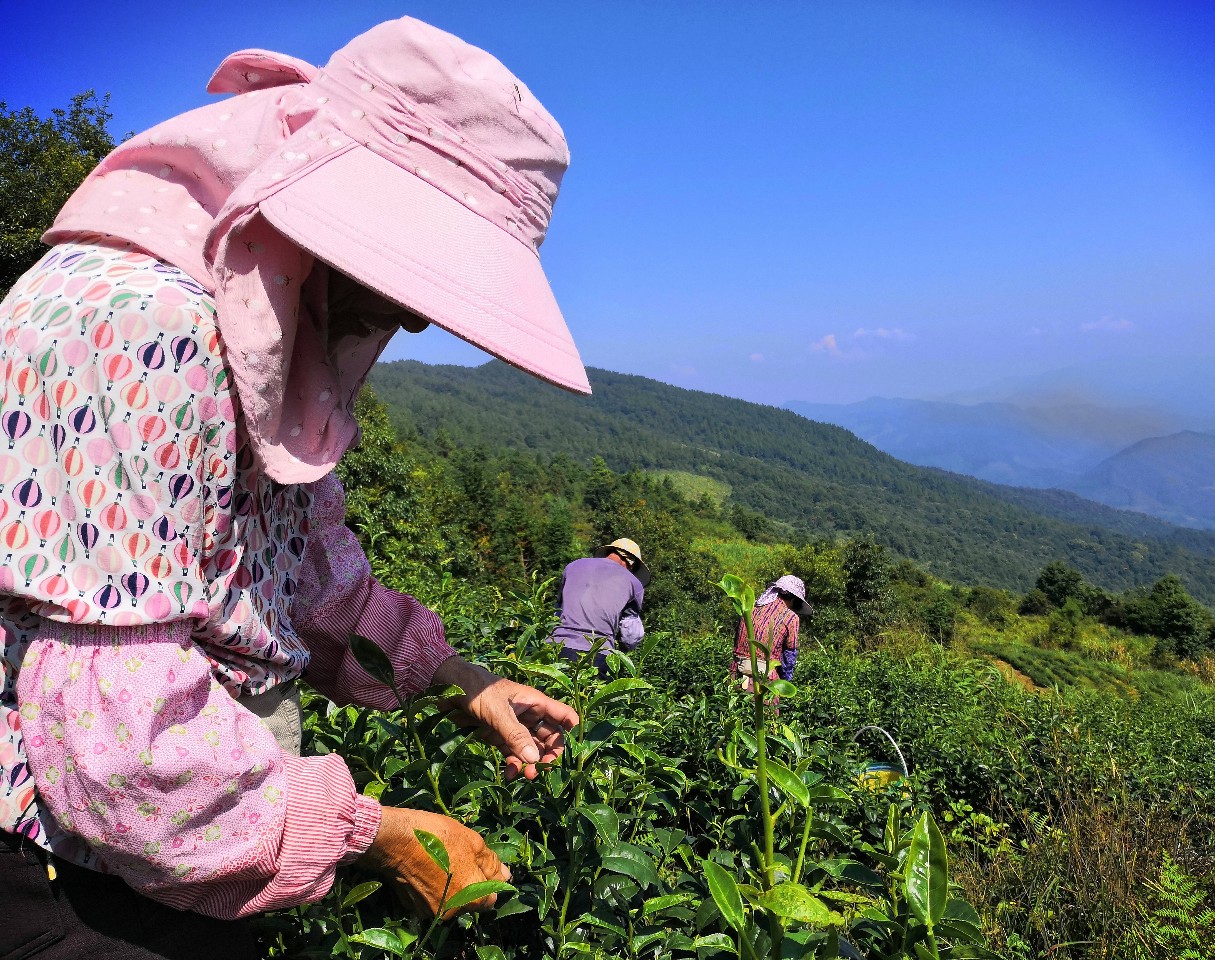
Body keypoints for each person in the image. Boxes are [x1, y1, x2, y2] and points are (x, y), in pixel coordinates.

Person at [0, 18, 589, 959]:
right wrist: (380, 832)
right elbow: (122, 757)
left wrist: (458, 682)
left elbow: (303, 576)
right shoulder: (141, 327)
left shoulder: (264, 331)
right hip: (68, 883)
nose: (418, 321)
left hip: (167, 857)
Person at [547, 538, 650, 672]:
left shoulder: (573, 566)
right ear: (631, 563)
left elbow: (558, 610)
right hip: (598, 655)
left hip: (557, 647)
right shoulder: (634, 584)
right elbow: (631, 635)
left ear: (610, 552)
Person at [731, 575, 814, 691]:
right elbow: (789, 656)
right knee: (766, 709)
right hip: (765, 681)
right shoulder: (790, 618)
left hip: (736, 676)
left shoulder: (749, 608)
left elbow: (737, 642)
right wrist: (784, 683)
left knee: (733, 708)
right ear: (794, 599)